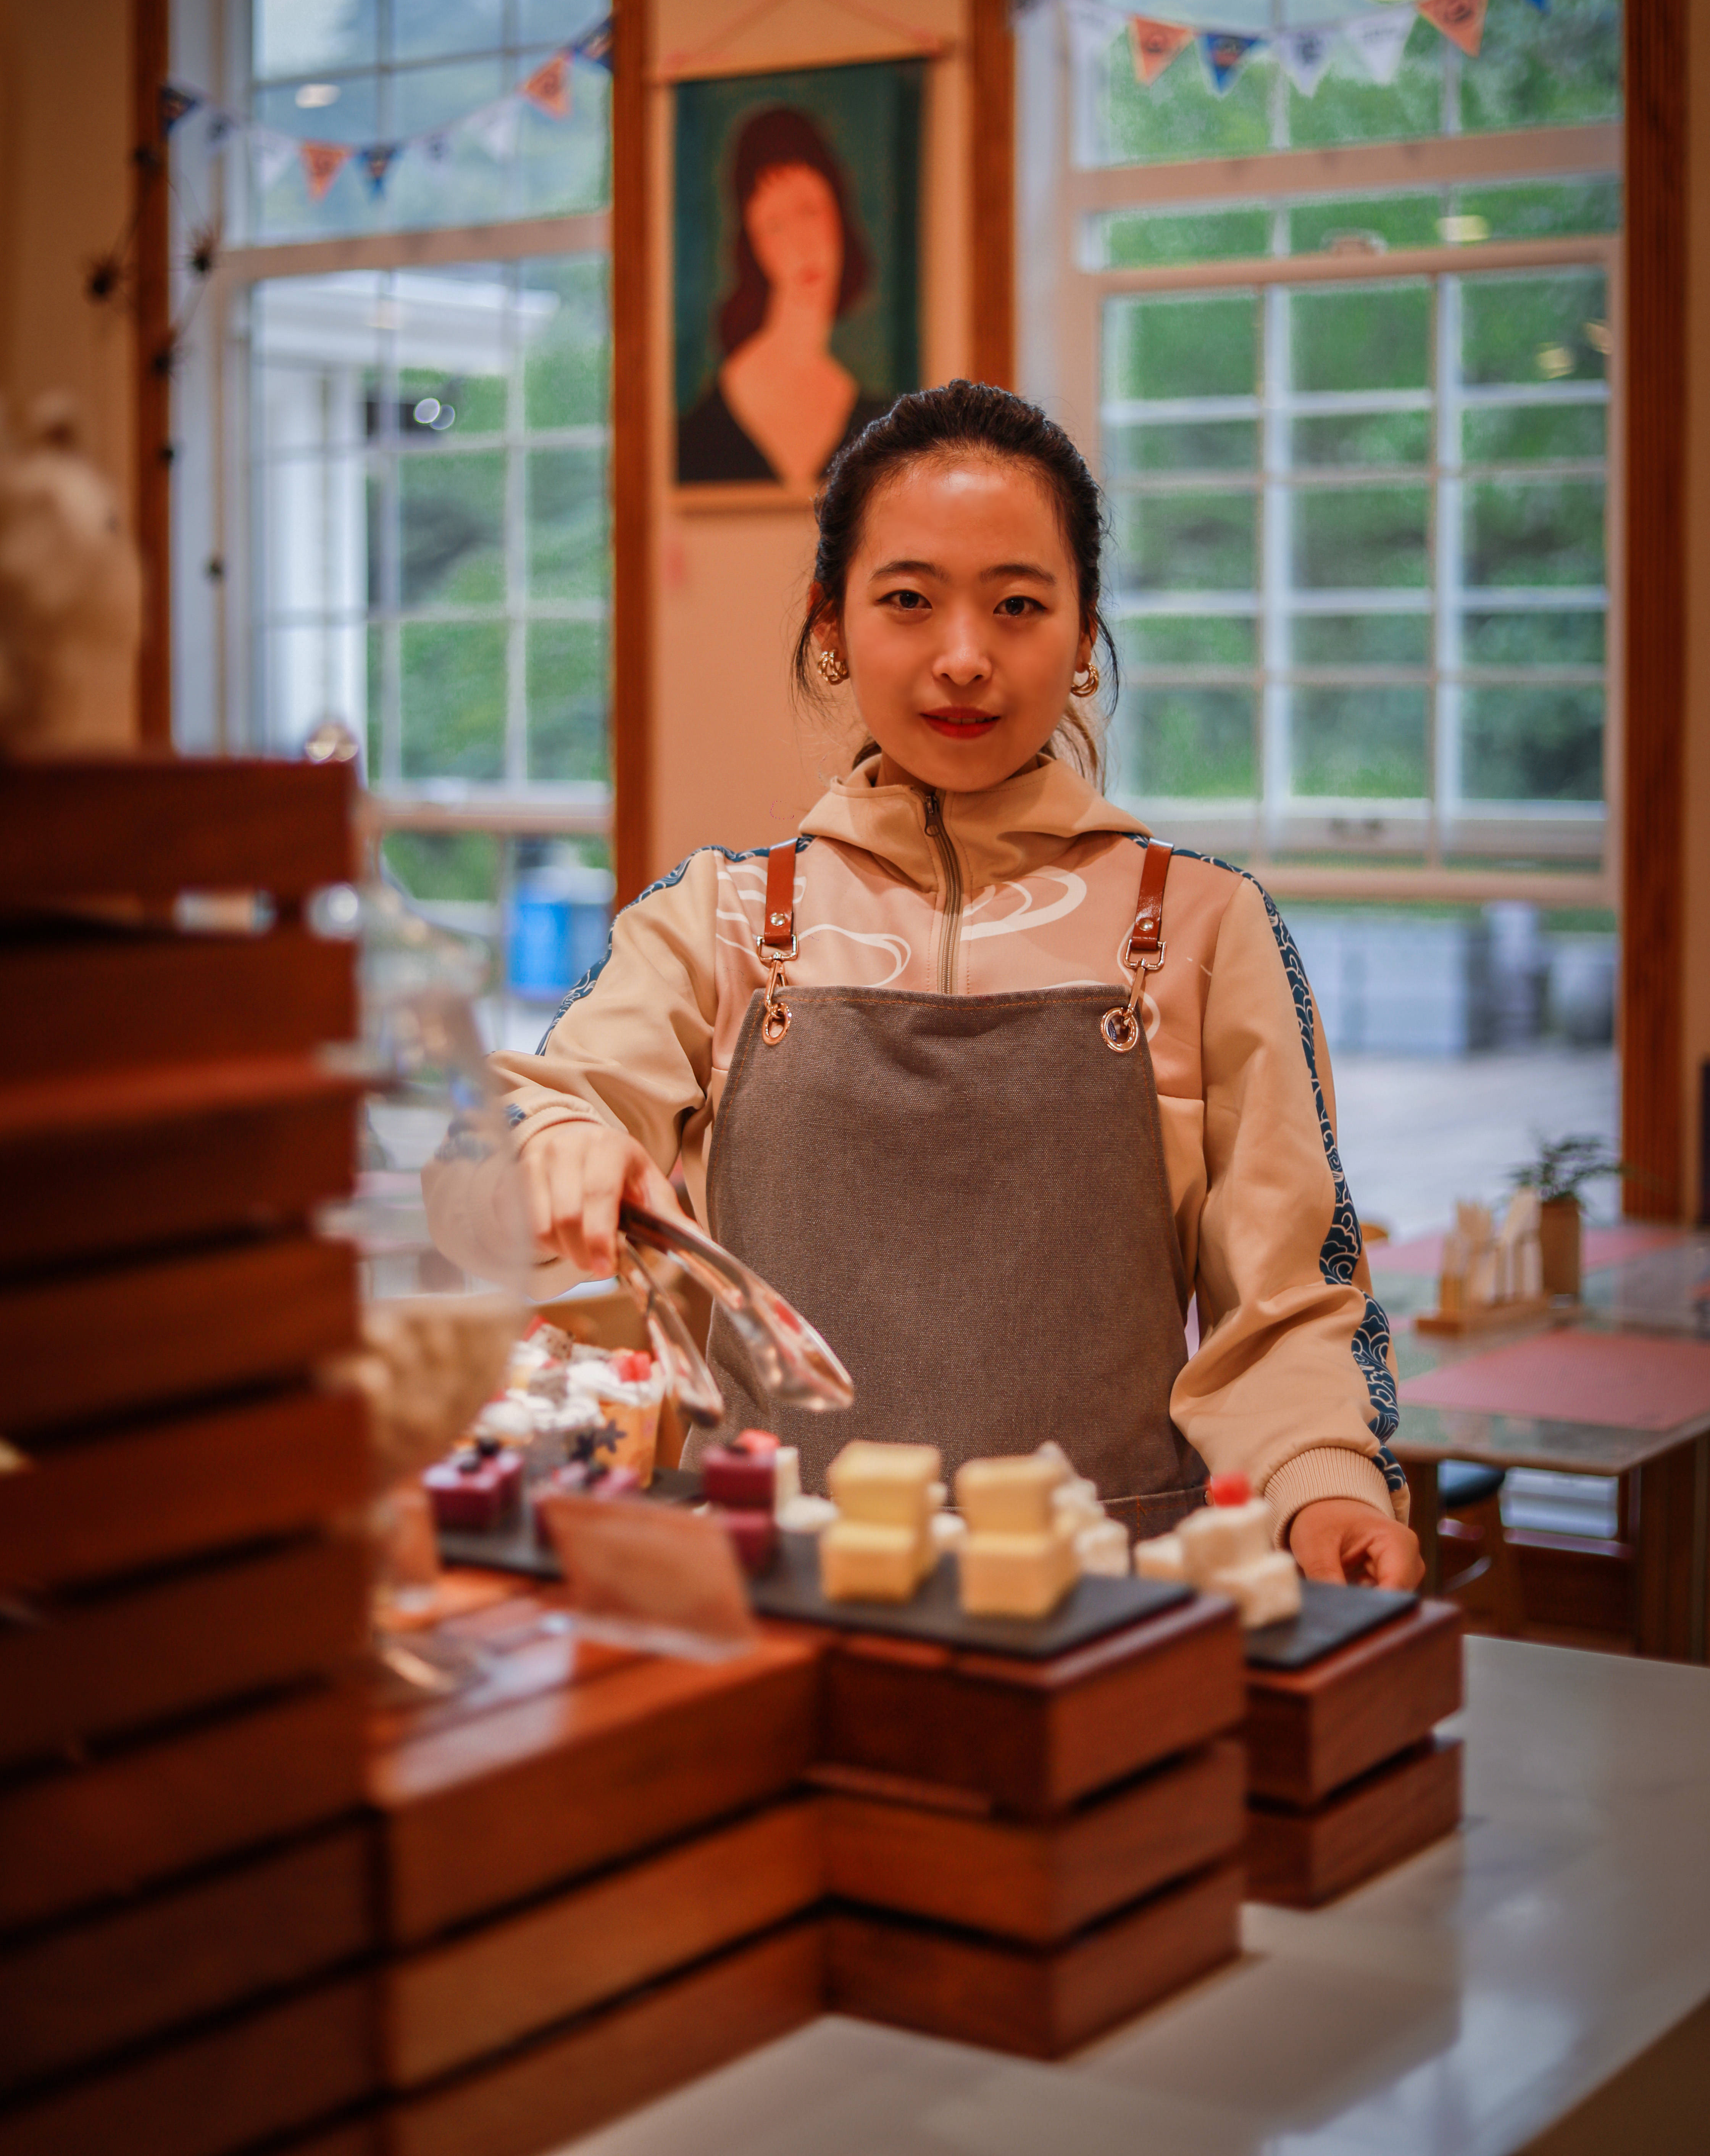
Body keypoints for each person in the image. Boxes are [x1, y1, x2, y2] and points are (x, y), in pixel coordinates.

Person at [497, 381, 1423, 1586]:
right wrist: (561, 1141)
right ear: (830, 625)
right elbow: (542, 1108)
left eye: (1019, 605)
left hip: (1105, 1608)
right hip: (772, 1596)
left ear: (1084, 635)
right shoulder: (718, 919)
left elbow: (1287, 1303)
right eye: (906, 601)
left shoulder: (1200, 924)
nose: (963, 658)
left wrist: (1322, 1491)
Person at [675, 106, 893, 488]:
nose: (801, 245)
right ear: (753, 247)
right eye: (774, 227)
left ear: (839, 215)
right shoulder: (709, 421)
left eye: (810, 212)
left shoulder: (877, 416)